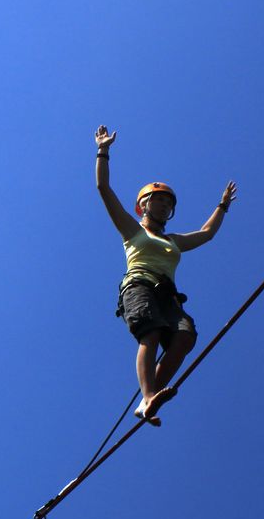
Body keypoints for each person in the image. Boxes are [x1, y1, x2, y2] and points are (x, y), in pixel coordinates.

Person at [94, 124, 237, 424]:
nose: (163, 204)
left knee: (185, 336)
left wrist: (222, 205)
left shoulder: (173, 241)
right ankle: (147, 397)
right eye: (158, 200)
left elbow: (206, 234)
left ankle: (149, 400)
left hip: (168, 294)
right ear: (142, 206)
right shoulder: (132, 231)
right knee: (151, 333)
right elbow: (104, 190)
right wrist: (103, 151)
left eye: (168, 202)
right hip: (139, 286)